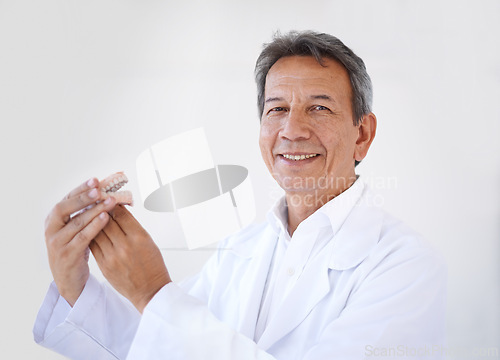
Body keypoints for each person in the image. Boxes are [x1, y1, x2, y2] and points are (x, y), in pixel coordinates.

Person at [34, 31, 446, 359]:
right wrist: (76, 285)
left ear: (363, 134)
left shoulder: (407, 266)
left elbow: (169, 318)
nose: (292, 130)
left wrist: (155, 291)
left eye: (319, 108)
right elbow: (155, 345)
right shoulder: (240, 252)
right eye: (277, 109)